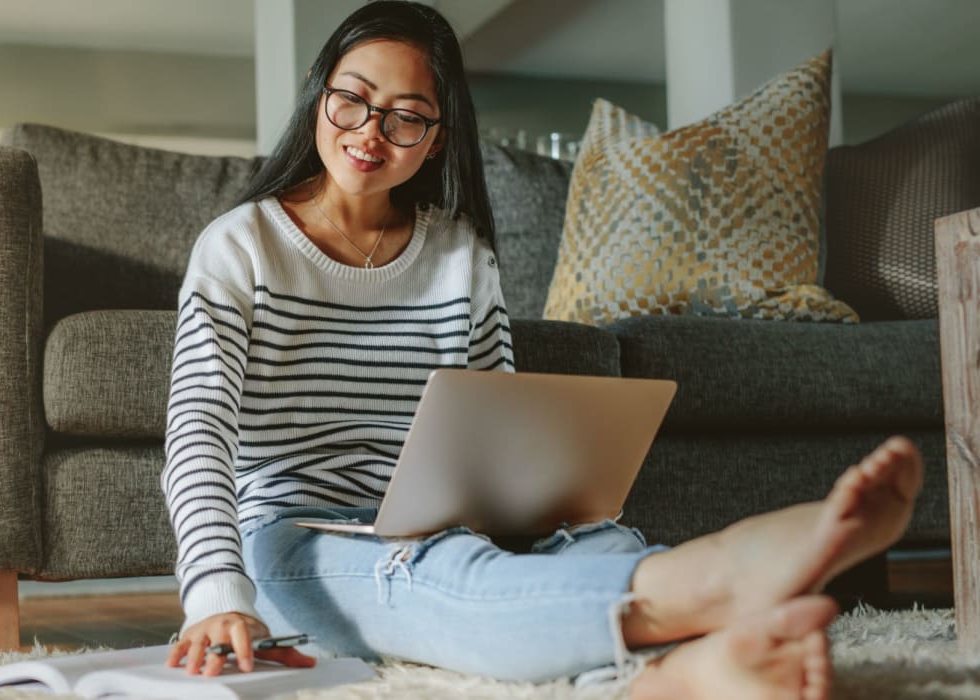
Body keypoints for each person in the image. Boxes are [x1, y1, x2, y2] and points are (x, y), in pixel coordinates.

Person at [161, 3, 924, 697]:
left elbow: (496, 417)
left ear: (436, 141)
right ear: (317, 92)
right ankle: (716, 581)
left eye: (406, 117)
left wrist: (533, 514)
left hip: (435, 520)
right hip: (297, 535)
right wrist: (216, 596)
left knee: (589, 545)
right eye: (352, 99)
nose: (370, 131)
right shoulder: (242, 246)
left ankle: (683, 673)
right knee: (443, 577)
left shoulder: (461, 255)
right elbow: (196, 430)